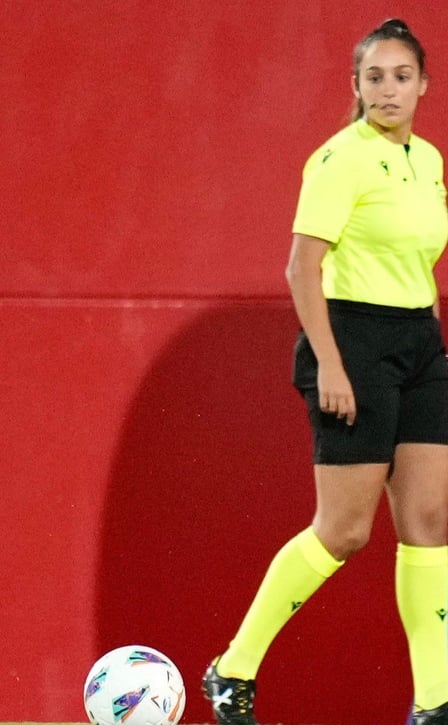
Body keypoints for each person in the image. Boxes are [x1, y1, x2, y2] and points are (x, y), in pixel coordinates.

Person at [203, 19, 448, 725]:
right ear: (357, 86)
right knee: (344, 530)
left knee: (429, 521)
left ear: (423, 84)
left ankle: (433, 700)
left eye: (402, 76)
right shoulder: (339, 159)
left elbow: (418, 260)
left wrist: (429, 344)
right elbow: (301, 266)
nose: (388, 89)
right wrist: (334, 365)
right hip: (351, 338)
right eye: (374, 77)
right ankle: (234, 668)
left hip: (419, 343)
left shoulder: (427, 160)